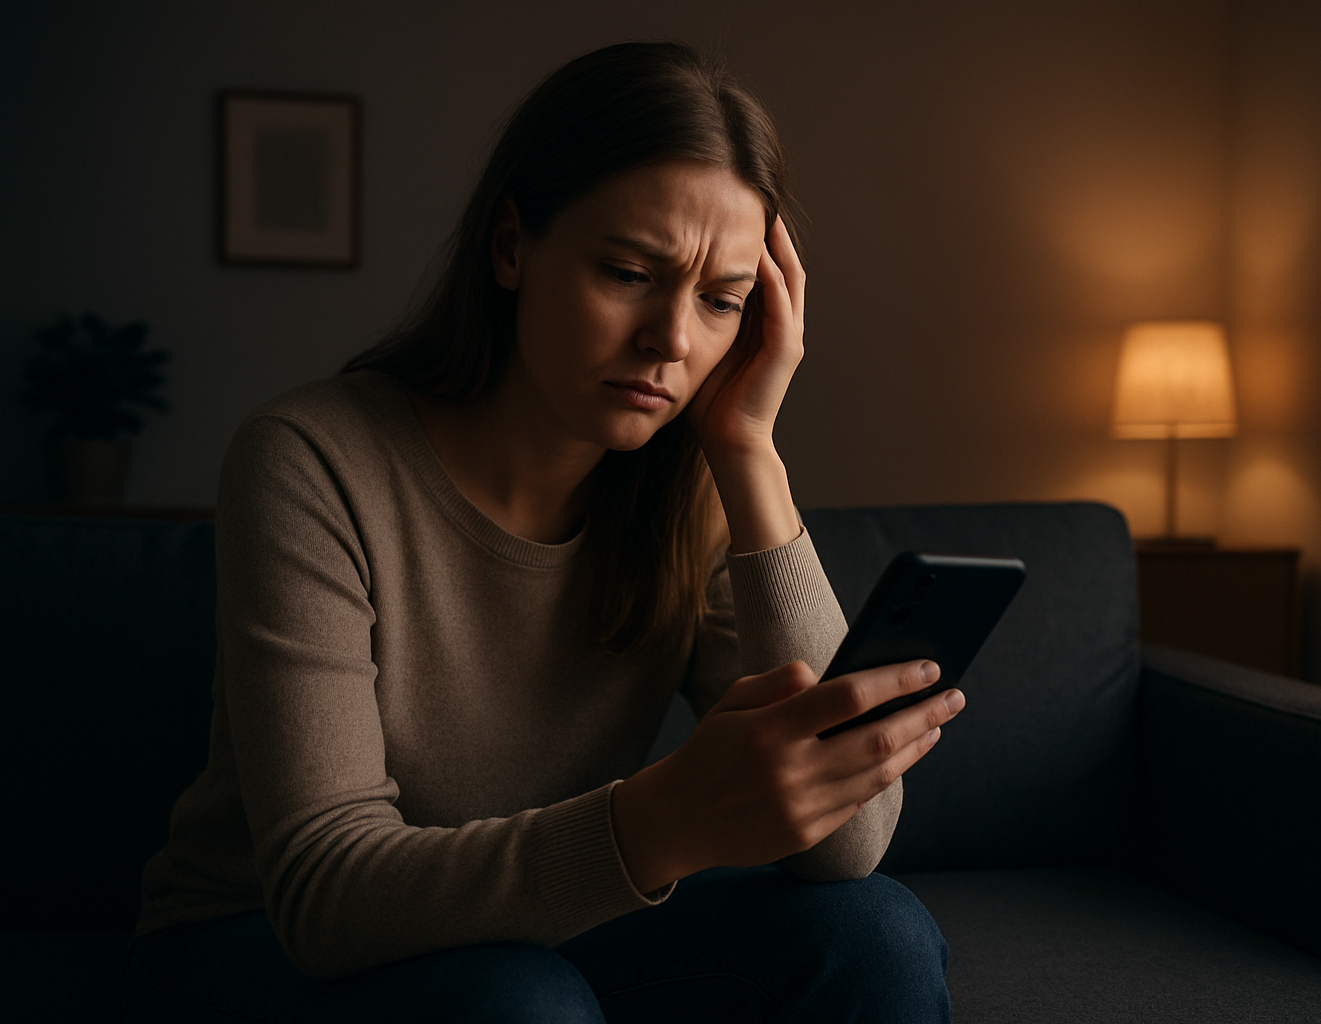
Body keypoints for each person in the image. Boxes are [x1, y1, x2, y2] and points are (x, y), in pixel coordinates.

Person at [124, 41, 960, 1023]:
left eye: (721, 300)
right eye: (628, 272)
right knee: (522, 1002)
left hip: (542, 929)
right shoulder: (312, 458)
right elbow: (325, 894)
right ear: (512, 245)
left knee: (876, 932)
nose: (673, 340)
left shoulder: (685, 487)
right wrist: (657, 822)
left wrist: (748, 450)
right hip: (264, 938)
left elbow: (847, 846)